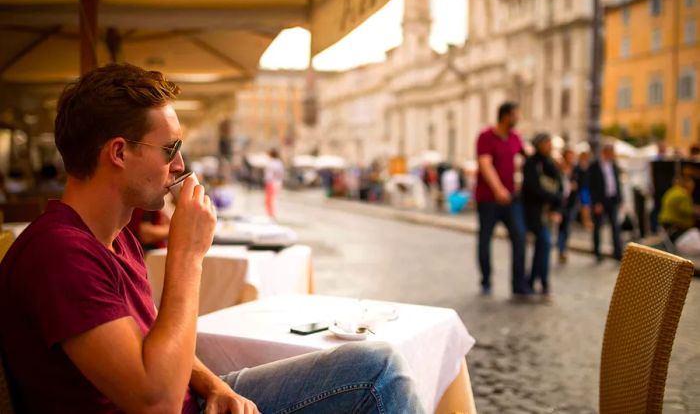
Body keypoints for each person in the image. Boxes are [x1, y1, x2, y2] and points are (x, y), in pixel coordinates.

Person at [0, 63, 423, 413]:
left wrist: (210, 384)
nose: (179, 164)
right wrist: (187, 254)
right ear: (118, 152)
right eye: (169, 149)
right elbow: (156, 402)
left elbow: (148, 339)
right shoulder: (60, 254)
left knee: (373, 361)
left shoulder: (113, 236)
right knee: (377, 372)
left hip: (195, 400)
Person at [475, 101, 529, 297]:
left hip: (511, 198)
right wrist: (498, 189)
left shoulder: (516, 137)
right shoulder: (486, 136)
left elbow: (527, 157)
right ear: (506, 116)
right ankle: (486, 280)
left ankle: (519, 284)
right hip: (488, 198)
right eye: (516, 115)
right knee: (485, 238)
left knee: (520, 236)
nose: (518, 119)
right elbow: (485, 164)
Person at [522, 133, 562, 300]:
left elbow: (559, 187)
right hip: (534, 213)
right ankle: (542, 283)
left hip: (547, 213)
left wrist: (556, 207)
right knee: (544, 244)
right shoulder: (531, 163)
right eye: (547, 143)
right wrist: (552, 198)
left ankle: (533, 281)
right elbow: (533, 188)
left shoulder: (551, 164)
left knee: (542, 247)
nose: (549, 146)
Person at [590, 143, 623, 262]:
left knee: (615, 226)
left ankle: (617, 252)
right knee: (598, 226)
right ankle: (597, 252)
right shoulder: (594, 165)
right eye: (611, 152)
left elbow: (616, 183)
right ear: (605, 152)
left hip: (612, 199)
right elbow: (591, 185)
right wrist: (596, 202)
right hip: (600, 201)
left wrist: (620, 199)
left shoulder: (613, 165)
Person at [659, 175, 700, 257]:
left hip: (667, 228)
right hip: (679, 230)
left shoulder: (671, 191)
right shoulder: (683, 194)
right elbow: (688, 211)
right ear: (687, 184)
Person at [556, 148, 578, 263]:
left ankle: (563, 248)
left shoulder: (575, 169)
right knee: (561, 227)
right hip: (561, 202)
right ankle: (561, 250)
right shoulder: (559, 169)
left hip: (571, 202)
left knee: (567, 227)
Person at [573, 151, 593, 229]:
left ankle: (586, 220)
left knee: (586, 206)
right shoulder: (578, 166)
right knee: (584, 205)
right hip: (581, 188)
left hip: (586, 187)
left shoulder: (588, 166)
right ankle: (585, 221)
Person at [264, 148, 284, 220]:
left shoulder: (272, 163)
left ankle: (271, 215)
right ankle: (271, 215)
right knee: (273, 199)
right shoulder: (279, 163)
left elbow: (271, 174)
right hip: (277, 182)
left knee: (270, 200)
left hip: (272, 182)